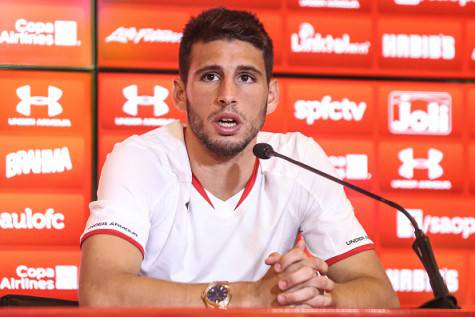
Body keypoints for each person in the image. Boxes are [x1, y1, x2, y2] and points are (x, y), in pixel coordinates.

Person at [79, 7, 399, 308]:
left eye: (246, 77)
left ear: (270, 95)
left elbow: (380, 294)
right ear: (180, 93)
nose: (228, 95)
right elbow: (100, 291)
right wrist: (248, 296)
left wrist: (315, 297)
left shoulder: (299, 158)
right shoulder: (141, 159)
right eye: (210, 76)